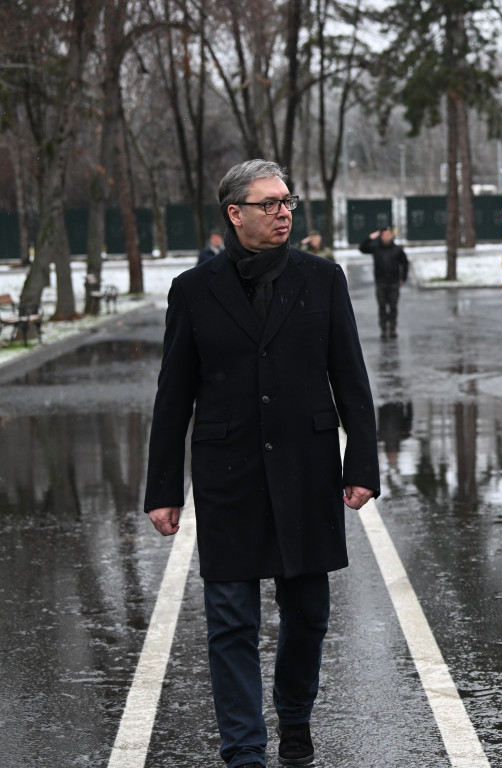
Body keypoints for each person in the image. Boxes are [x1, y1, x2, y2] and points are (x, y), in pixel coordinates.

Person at [144, 159, 379, 768]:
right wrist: (162, 488)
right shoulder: (193, 291)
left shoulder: (322, 279)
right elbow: (173, 395)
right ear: (235, 214)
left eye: (287, 202)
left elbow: (350, 377)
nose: (283, 213)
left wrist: (361, 463)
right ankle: (243, 749)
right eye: (269, 203)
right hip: (228, 474)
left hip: (306, 469)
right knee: (229, 619)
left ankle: (294, 718)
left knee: (307, 611)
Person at [359, 226, 410, 340]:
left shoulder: (397, 249)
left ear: (392, 236)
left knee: (393, 307)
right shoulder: (376, 248)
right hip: (380, 282)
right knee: (382, 307)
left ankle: (392, 329)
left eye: (388, 234)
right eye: (384, 235)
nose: (387, 237)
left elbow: (405, 263)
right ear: (381, 236)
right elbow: (362, 248)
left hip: (394, 283)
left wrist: (403, 278)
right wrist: (372, 236)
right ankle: (383, 329)